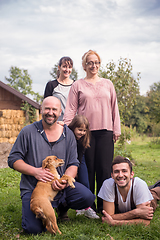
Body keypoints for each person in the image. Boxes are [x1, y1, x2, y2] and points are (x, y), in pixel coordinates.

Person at [8, 96, 95, 234]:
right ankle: (44, 211)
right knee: (33, 229)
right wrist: (36, 172)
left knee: (88, 197)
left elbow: (73, 163)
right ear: (41, 109)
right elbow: (13, 159)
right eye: (47, 108)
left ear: (60, 112)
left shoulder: (68, 135)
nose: (50, 112)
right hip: (34, 189)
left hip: (60, 186)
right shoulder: (28, 132)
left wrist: (65, 182)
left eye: (54, 109)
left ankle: (61, 207)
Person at [63, 50, 121, 213]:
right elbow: (71, 108)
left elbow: (114, 107)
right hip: (84, 133)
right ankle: (89, 206)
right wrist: (68, 130)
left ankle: (103, 205)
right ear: (84, 65)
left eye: (96, 62)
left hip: (106, 131)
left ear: (99, 64)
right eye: (90, 62)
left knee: (103, 169)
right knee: (87, 170)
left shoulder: (108, 84)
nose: (93, 65)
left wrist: (116, 128)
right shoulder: (77, 85)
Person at [98, 155, 160, 226]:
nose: (120, 175)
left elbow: (145, 222)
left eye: (124, 171)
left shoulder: (140, 184)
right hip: (137, 199)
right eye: (116, 172)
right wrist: (136, 213)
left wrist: (114, 222)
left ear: (131, 174)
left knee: (154, 194)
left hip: (147, 196)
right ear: (112, 175)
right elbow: (108, 217)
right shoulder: (108, 184)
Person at [68, 114, 99, 219]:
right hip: (69, 161)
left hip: (80, 160)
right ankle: (79, 208)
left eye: (84, 130)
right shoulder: (67, 135)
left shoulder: (83, 139)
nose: (82, 133)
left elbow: (81, 154)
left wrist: (76, 169)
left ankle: (86, 208)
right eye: (80, 129)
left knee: (85, 182)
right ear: (73, 127)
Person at [44, 56, 74, 121]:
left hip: (73, 124)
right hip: (56, 123)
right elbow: (46, 106)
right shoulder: (51, 85)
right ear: (59, 67)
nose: (67, 70)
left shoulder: (76, 85)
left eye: (69, 67)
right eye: (64, 66)